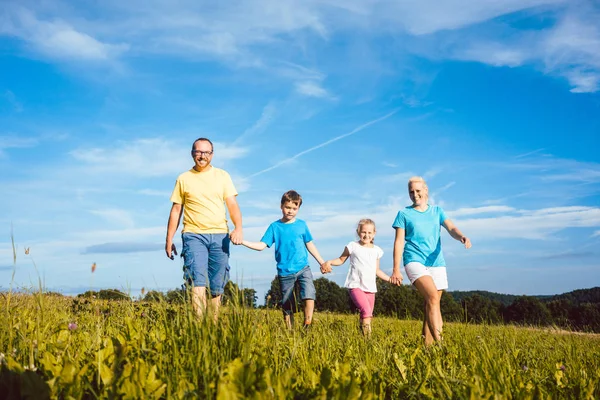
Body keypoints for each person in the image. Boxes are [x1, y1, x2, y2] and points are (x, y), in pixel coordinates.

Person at [165, 137, 243, 320]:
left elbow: (232, 205)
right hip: (193, 235)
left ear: (212, 154)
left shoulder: (223, 176)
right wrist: (169, 239)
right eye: (198, 152)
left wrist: (238, 228)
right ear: (192, 153)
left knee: (217, 286)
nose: (202, 156)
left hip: (220, 236)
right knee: (197, 282)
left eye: (206, 152)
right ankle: (199, 329)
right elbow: (176, 210)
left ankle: (212, 328)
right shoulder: (183, 179)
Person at [390, 176, 471, 345]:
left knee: (432, 305)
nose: (415, 195)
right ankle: (442, 346)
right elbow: (399, 242)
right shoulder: (404, 214)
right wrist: (396, 269)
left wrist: (461, 236)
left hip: (436, 262)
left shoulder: (437, 211)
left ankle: (426, 350)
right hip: (414, 259)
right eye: (411, 192)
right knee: (433, 298)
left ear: (426, 190)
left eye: (418, 191)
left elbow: (451, 228)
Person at [240, 190, 326, 329]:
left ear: (298, 208)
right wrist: (243, 241)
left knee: (309, 294)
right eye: (287, 207)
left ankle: (307, 324)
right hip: (285, 271)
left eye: (294, 208)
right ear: (281, 206)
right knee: (287, 304)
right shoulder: (275, 227)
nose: (290, 211)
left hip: (303, 267)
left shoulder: (302, 225)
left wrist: (322, 262)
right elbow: (261, 245)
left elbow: (309, 244)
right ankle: (289, 332)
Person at [321, 218, 395, 336]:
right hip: (355, 285)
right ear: (358, 232)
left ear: (374, 233)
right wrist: (329, 262)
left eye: (369, 232)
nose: (366, 235)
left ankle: (360, 336)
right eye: (363, 232)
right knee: (366, 312)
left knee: (367, 315)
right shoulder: (352, 246)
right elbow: (341, 260)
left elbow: (377, 270)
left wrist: (390, 279)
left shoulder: (377, 251)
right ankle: (368, 341)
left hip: (370, 288)